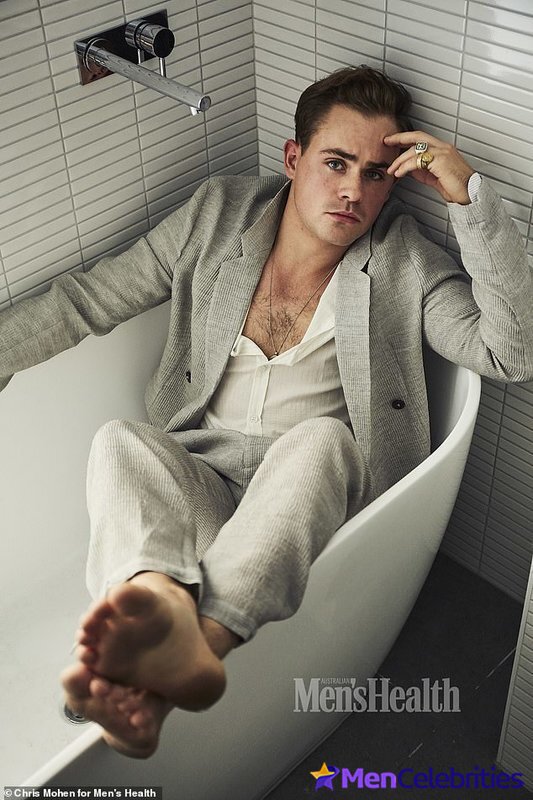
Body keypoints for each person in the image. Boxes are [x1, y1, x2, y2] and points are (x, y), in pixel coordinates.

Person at [1, 66, 532, 759]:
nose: (353, 190)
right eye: (335, 163)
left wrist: (468, 198)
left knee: (320, 441)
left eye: (375, 174)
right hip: (203, 480)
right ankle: (153, 613)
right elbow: (89, 299)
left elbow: (509, 354)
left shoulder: (404, 260)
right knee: (119, 441)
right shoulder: (217, 216)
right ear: (292, 158)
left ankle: (197, 648)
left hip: (313, 497)